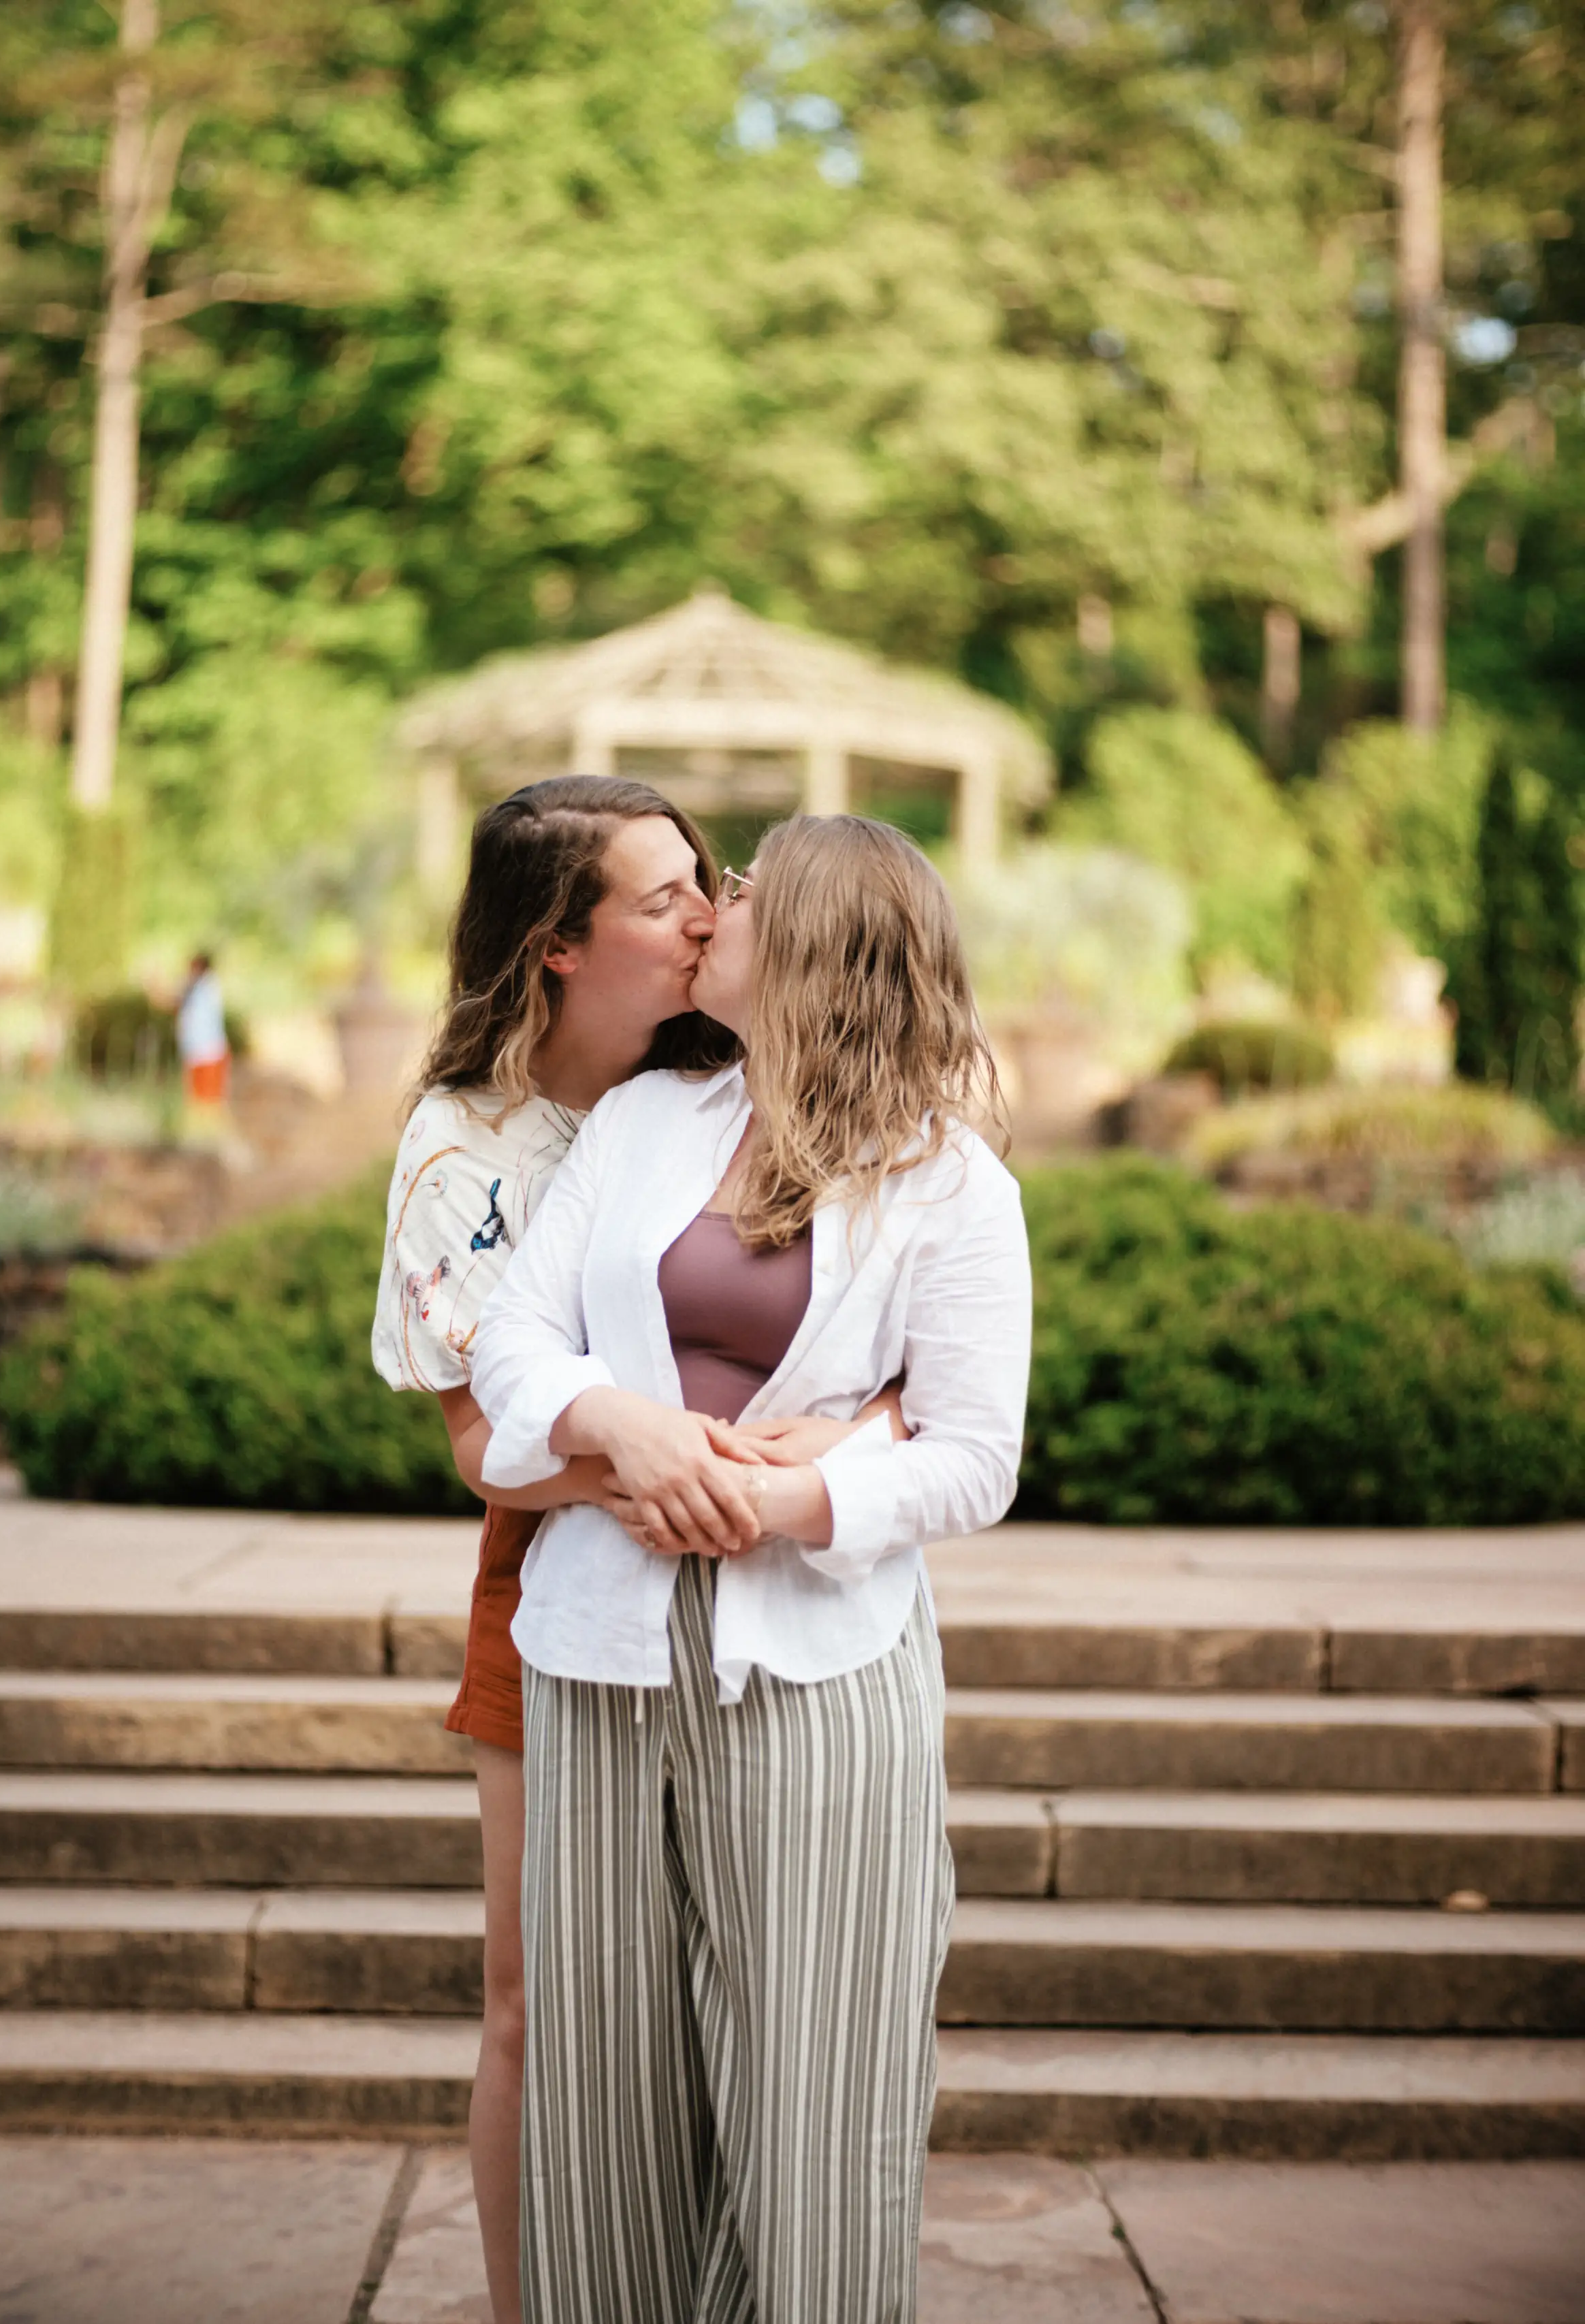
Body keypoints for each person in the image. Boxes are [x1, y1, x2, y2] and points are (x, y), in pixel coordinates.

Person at [471, 814, 1033, 2323]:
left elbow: (978, 1457)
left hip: (820, 1677)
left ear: (822, 951)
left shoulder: (953, 1186)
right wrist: (625, 1429)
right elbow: (516, 1339)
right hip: (596, 1661)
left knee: (823, 2101)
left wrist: (786, 1505)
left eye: (747, 893)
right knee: (600, 2103)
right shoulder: (646, 1124)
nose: (713, 908)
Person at [372, 778, 905, 2324]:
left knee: (744, 1993)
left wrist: (807, 1456)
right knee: (539, 2002)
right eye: (663, 893)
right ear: (555, 940)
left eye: (707, 881)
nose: (706, 910)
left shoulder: (724, 1070)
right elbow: (485, 1446)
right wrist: (651, 1473)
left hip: (768, 1558)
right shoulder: (464, 1151)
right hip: (554, 1564)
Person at [176, 952, 231, 1108]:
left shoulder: (207, 986)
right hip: (196, 1049)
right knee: (197, 1098)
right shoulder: (196, 986)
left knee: (209, 1099)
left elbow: (176, 1003)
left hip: (208, 1049)